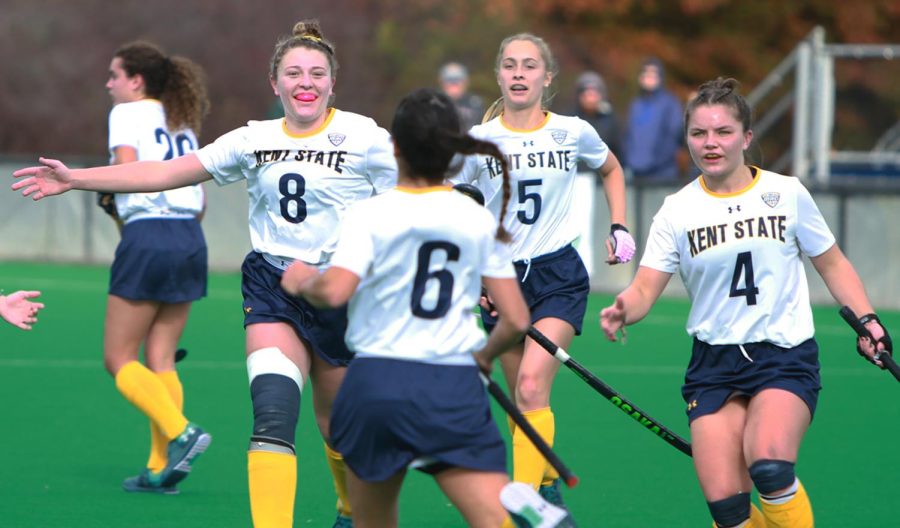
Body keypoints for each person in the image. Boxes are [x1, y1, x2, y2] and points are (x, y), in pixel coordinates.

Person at [13, 19, 397, 528]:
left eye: (317, 73)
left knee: (338, 427)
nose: (306, 82)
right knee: (273, 415)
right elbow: (164, 172)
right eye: (294, 73)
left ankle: (350, 511)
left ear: (332, 82)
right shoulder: (252, 139)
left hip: (342, 292)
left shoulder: (365, 137)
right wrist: (74, 179)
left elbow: (428, 187)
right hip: (273, 289)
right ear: (274, 82)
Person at [600, 77, 893, 528]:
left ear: (746, 138)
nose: (710, 143)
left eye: (723, 132)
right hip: (712, 364)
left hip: (783, 355)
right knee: (728, 509)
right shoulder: (676, 211)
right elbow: (642, 290)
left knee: (770, 465)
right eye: (698, 134)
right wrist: (625, 308)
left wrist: (869, 320)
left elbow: (832, 263)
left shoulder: (786, 194)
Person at [280, 87, 573, 528]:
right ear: (454, 154)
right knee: (492, 519)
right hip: (451, 384)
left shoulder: (370, 213)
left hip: (377, 384)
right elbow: (515, 318)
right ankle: (521, 508)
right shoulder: (475, 217)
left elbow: (335, 292)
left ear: (394, 148)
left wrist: (303, 280)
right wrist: (484, 356)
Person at [450, 33, 635, 506]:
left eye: (529, 66)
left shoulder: (573, 132)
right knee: (521, 401)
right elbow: (452, 206)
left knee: (532, 384)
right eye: (509, 65)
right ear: (498, 75)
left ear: (547, 77)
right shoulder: (478, 143)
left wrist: (619, 225)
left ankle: (524, 507)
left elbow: (611, 169)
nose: (518, 74)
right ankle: (547, 486)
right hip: (500, 280)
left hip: (558, 275)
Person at [108, 40, 213, 495]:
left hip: (149, 234)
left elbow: (129, 173)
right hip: (191, 235)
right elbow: (200, 195)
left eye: (115, 75)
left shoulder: (126, 114)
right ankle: (158, 468)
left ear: (136, 80)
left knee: (119, 358)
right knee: (162, 357)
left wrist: (114, 198)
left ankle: (181, 432)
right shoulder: (181, 117)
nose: (109, 84)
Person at [570, 70, 623, 276]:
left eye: (594, 92)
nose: (590, 96)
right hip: (576, 179)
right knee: (577, 229)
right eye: (586, 92)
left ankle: (586, 273)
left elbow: (618, 153)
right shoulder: (571, 119)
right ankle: (577, 271)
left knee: (592, 230)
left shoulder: (610, 119)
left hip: (601, 181)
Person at [623, 57, 683, 182]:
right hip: (636, 172)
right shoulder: (636, 104)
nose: (649, 78)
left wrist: (656, 162)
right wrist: (629, 161)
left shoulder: (670, 104)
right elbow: (628, 136)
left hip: (662, 172)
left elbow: (674, 136)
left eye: (653, 74)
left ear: (660, 78)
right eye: (646, 73)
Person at [438, 61, 485, 132]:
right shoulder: (433, 103)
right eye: (449, 79)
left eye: (457, 79)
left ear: (466, 82)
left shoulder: (475, 104)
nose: (454, 84)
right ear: (442, 82)